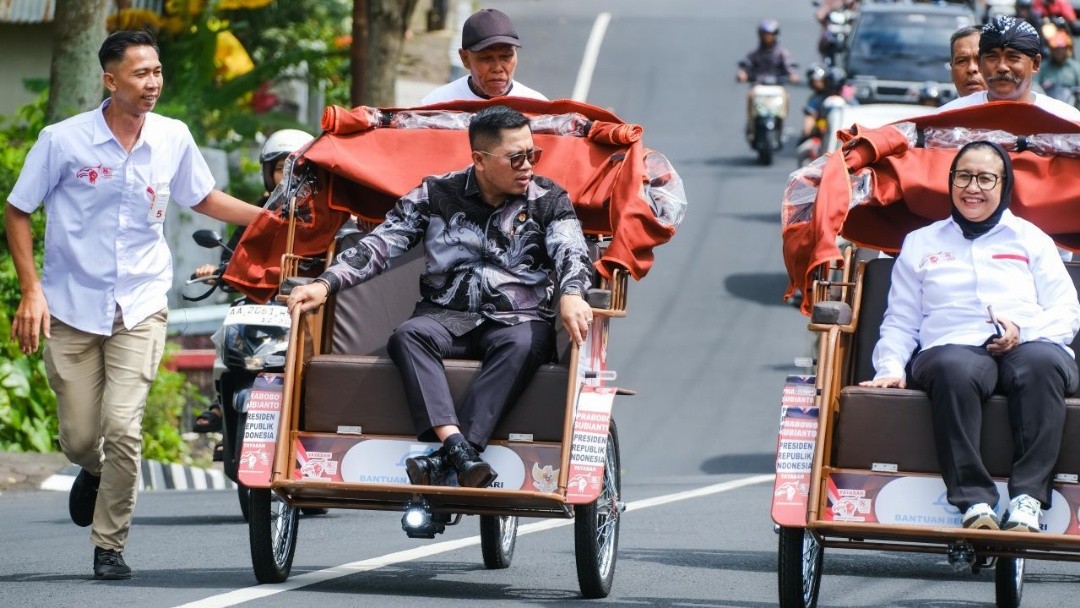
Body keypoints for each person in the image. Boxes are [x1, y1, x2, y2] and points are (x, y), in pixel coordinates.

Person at [3, 30, 261, 580]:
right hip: (71, 306)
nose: (153, 83)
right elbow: (18, 210)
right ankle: (94, 471)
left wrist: (266, 220)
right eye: (141, 74)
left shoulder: (172, 137)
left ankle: (109, 543)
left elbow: (201, 197)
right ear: (110, 78)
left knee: (123, 427)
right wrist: (31, 290)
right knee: (78, 437)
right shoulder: (63, 140)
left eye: (158, 72)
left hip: (140, 303)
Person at [286, 105, 593, 489]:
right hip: (445, 315)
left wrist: (571, 293)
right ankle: (459, 449)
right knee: (408, 336)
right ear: (480, 160)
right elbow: (383, 243)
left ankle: (450, 456)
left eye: (533, 155)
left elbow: (572, 251)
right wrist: (325, 283)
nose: (527, 166)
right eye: (516, 157)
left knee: (525, 342)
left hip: (518, 319)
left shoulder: (548, 198)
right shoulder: (435, 193)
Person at [860, 141, 1080, 533]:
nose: (972, 188)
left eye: (985, 178)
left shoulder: (1031, 239)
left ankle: (1028, 500)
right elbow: (901, 319)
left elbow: (1066, 311)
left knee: (1041, 363)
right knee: (952, 367)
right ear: (950, 182)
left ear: (1004, 184)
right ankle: (975, 502)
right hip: (951, 345)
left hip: (1030, 343)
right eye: (963, 176)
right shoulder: (922, 243)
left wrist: (1022, 332)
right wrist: (890, 367)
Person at [191, 128, 314, 439]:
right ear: (266, 172)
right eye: (279, 168)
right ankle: (222, 400)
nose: (288, 175)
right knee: (229, 329)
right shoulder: (258, 212)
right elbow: (232, 256)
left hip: (307, 304)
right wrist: (216, 269)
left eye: (296, 167)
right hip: (261, 303)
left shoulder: (325, 213)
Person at [420, 8, 547, 105]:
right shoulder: (437, 106)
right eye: (486, 58)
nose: (497, 68)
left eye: (506, 56)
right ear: (465, 58)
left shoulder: (538, 108)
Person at [1039, 31, 1080, 103]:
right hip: (1047, 104)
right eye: (1055, 48)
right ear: (1051, 49)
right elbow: (1034, 85)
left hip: (1070, 106)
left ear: (1067, 49)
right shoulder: (1043, 67)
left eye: (1061, 49)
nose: (1059, 51)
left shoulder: (1075, 67)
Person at [949, 25, 987, 98]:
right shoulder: (945, 109)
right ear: (951, 72)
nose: (971, 69)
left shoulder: (1012, 109)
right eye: (962, 61)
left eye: (980, 60)